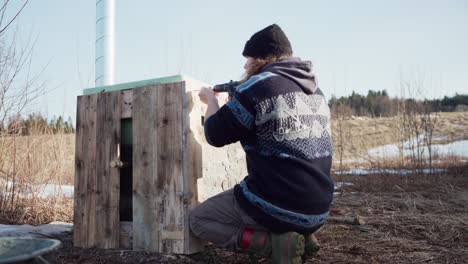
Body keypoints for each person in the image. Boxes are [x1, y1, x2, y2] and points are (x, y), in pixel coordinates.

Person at [190, 24, 334, 264]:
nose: (245, 66)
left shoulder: (258, 87)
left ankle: (272, 245)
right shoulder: (317, 92)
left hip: (279, 206)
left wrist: (210, 102)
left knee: (199, 221)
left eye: (247, 60)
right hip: (318, 210)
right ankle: (302, 236)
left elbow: (214, 135)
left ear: (259, 59)